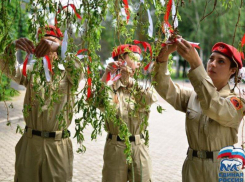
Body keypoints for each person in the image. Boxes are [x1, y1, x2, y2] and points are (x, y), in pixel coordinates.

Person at [152, 38, 245, 182]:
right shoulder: (195, 96)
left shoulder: (236, 103)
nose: (212, 64)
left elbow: (213, 105)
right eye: (211, 59)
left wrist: (196, 63)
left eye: (221, 61)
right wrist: (163, 57)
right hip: (192, 166)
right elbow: (165, 89)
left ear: (232, 70)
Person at [0, 25, 84, 182]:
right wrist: (11, 48)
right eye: (43, 43)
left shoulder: (69, 73)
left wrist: (59, 48)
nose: (48, 47)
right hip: (31, 144)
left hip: (57, 146)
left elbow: (79, 72)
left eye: (52, 42)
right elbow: (8, 69)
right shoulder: (32, 71)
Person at [97, 44, 158, 182]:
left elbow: (151, 98)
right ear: (121, 61)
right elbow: (97, 102)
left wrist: (130, 83)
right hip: (116, 148)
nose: (139, 62)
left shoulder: (141, 86)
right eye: (135, 58)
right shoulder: (109, 88)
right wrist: (106, 75)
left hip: (139, 146)